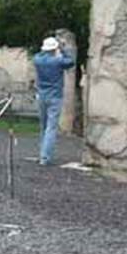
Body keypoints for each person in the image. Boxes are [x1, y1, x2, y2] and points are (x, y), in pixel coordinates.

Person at [33, 35, 75, 165]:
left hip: (41, 95)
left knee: (44, 126)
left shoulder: (38, 60)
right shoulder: (57, 61)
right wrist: (62, 48)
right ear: (54, 49)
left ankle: (42, 153)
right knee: (51, 128)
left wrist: (50, 49)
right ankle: (45, 157)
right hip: (55, 96)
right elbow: (71, 61)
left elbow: (39, 54)